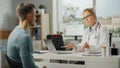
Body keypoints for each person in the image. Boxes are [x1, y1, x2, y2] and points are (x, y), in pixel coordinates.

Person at [7, 3, 38, 68]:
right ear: (29, 16)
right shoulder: (24, 37)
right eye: (35, 15)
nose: (35, 18)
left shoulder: (13, 32)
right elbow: (29, 67)